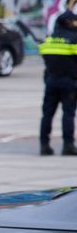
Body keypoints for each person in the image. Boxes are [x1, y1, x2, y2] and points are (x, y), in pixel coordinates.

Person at [39, 16, 77, 156]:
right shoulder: (74, 39)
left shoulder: (49, 40)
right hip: (69, 82)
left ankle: (44, 145)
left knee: (47, 115)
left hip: (51, 81)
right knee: (68, 114)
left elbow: (45, 58)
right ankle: (68, 145)